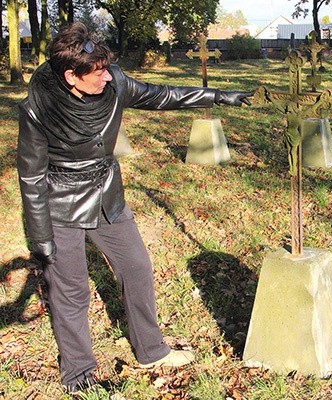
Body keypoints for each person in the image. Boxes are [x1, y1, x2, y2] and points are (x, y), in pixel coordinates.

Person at [16, 22, 253, 396]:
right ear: (70, 77)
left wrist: (219, 96)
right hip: (60, 204)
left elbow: (162, 95)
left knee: (137, 267)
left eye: (108, 69)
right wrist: (41, 239)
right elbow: (30, 177)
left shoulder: (115, 84)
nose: (108, 77)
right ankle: (78, 372)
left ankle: (151, 350)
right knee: (70, 291)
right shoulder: (37, 110)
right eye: (97, 73)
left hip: (106, 193)